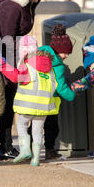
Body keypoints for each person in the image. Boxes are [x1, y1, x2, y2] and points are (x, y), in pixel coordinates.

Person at [0, 0, 49, 160]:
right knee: (4, 103)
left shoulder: (27, 4)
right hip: (3, 57)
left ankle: (3, 145)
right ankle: (2, 146)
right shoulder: (12, 7)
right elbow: (6, 38)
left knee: (8, 102)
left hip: (12, 56)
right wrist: (13, 64)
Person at [0, 35, 60, 166]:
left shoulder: (27, 65)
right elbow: (54, 85)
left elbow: (15, 77)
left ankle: (25, 150)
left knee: (21, 125)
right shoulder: (49, 68)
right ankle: (36, 158)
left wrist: (2, 65)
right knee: (37, 131)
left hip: (28, 105)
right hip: (44, 107)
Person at [38, 24, 75, 160]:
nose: (66, 56)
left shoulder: (39, 56)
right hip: (50, 101)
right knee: (52, 128)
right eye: (65, 53)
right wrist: (72, 95)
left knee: (34, 127)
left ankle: (30, 150)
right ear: (58, 50)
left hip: (34, 99)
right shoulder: (58, 65)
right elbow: (60, 86)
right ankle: (49, 151)